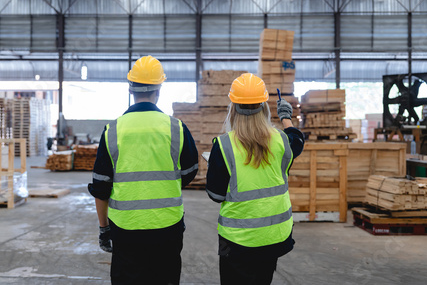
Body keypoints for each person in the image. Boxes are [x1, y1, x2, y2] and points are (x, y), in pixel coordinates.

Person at [88, 55, 199, 285]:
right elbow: (190, 172)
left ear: (131, 89)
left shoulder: (113, 130)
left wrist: (103, 229)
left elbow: (101, 187)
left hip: (126, 229)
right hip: (167, 227)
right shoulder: (176, 128)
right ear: (159, 89)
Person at [205, 73, 305, 285]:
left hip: (238, 241)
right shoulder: (281, 141)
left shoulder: (223, 146)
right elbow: (297, 140)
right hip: (273, 236)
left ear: (233, 107)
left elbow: (216, 194)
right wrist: (286, 117)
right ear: (264, 107)